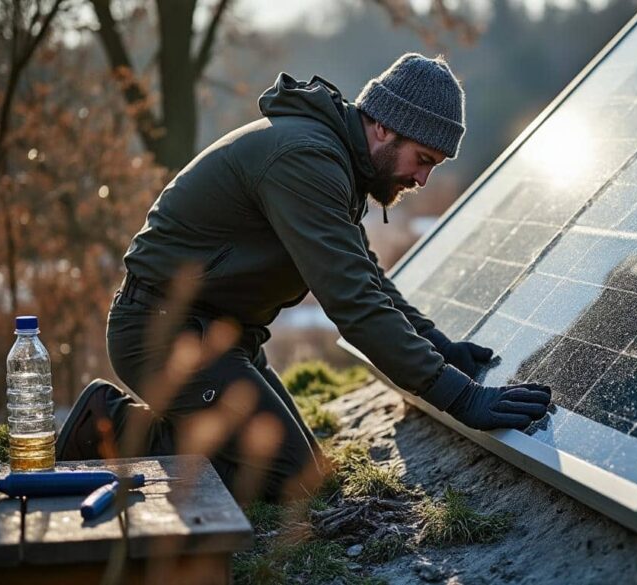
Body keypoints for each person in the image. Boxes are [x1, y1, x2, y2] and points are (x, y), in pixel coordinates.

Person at [55, 53, 553, 502]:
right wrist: (463, 398)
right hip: (161, 332)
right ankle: (108, 422)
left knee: (306, 475)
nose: (422, 180)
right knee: (288, 479)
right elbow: (355, 306)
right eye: (423, 159)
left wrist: (445, 350)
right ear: (383, 127)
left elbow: (367, 280)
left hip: (220, 339)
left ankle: (182, 425)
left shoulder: (335, 159)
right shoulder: (306, 159)